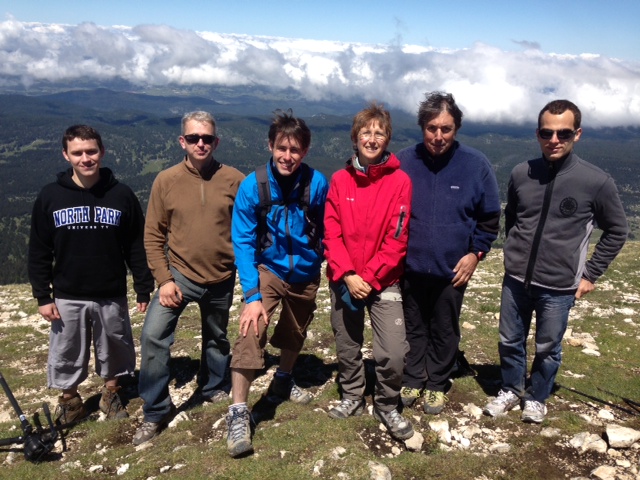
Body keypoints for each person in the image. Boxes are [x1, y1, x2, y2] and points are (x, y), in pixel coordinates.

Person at [483, 100, 628, 423]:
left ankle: (537, 396)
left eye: (563, 133)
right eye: (547, 132)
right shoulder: (522, 173)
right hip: (516, 278)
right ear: (538, 133)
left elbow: (618, 230)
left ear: (577, 134)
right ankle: (510, 388)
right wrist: (512, 253)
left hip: (560, 285)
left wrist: (590, 274)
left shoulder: (596, 181)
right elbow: (513, 217)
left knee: (548, 346)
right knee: (509, 339)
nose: (554, 139)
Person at [28, 125, 154, 425]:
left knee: (115, 348)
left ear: (102, 152)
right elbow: (39, 250)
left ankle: (111, 395)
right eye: (78, 153)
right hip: (67, 293)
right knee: (67, 351)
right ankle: (70, 401)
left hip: (110, 291)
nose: (86, 158)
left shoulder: (121, 194)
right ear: (66, 155)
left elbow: (135, 244)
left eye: (91, 151)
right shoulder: (50, 196)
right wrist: (43, 296)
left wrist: (142, 287)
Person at [134, 111, 245, 445]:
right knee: (153, 336)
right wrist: (164, 280)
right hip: (179, 277)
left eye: (207, 138)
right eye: (194, 138)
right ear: (182, 140)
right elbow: (152, 235)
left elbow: (247, 228)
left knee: (217, 336)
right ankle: (155, 410)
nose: (201, 143)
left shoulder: (234, 180)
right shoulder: (165, 181)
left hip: (222, 276)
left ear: (216, 141)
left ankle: (212, 386)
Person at [226, 110, 329, 457]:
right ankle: (239, 411)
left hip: (305, 272)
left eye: (295, 150)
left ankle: (283, 378)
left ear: (306, 150)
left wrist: (324, 260)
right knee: (250, 329)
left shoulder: (316, 184)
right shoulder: (253, 186)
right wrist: (252, 294)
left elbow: (327, 227)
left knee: (295, 330)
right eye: (282, 148)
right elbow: (242, 240)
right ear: (269, 145)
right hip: (268, 270)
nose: (287, 156)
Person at [397, 92, 501, 414]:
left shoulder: (475, 165)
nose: (438, 136)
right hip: (410, 266)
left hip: (453, 268)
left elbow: (489, 218)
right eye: (431, 128)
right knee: (413, 326)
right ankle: (414, 378)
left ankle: (437, 384)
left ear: (456, 128)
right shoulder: (403, 162)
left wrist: (476, 254)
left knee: (444, 326)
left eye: (446, 128)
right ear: (421, 127)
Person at [323, 103, 414, 441]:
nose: (372, 138)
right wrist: (347, 274)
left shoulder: (400, 181)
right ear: (355, 137)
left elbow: (397, 237)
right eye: (366, 132)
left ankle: (387, 402)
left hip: (383, 279)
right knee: (347, 345)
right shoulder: (340, 180)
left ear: (387, 138)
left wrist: (370, 277)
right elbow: (330, 233)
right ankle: (353, 396)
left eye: (379, 132)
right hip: (345, 278)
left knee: (391, 352)